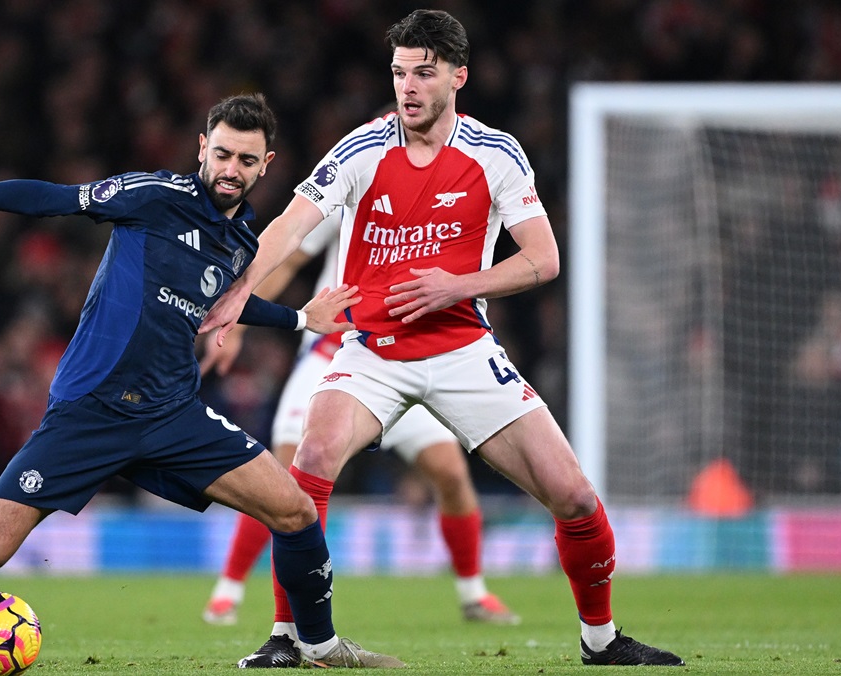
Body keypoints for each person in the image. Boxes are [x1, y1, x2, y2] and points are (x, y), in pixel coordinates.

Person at [0, 93, 405, 669]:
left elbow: (224, 305)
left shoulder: (243, 242)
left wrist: (295, 317)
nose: (230, 169)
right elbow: (50, 200)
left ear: (266, 165)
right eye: (222, 154)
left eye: (245, 160)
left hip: (171, 414)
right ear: (202, 150)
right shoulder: (154, 197)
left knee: (295, 511)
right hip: (90, 410)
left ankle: (314, 645)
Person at [199, 12, 685, 668]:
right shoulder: (360, 149)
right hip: (372, 352)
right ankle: (289, 636)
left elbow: (542, 259)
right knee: (308, 461)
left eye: (423, 72)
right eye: (399, 72)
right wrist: (235, 293)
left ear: (458, 75)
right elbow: (289, 225)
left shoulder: (496, 153)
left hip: (463, 351)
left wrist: (458, 285)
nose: (408, 86)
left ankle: (600, 640)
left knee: (571, 494)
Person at [200, 209, 518, 628]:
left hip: (407, 356)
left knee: (450, 471)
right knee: (281, 474)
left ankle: (474, 593)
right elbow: (291, 257)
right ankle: (229, 590)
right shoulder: (350, 192)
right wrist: (238, 325)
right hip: (336, 352)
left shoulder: (436, 207)